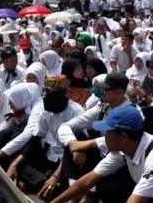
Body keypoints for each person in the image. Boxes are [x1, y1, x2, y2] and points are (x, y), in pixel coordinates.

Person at [51, 105, 153, 203]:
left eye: (108, 132)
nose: (104, 136)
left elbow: (137, 200)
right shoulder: (122, 150)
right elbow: (88, 180)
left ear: (123, 137)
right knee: (104, 185)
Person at [57, 73, 134, 202]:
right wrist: (73, 145)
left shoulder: (132, 112)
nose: (101, 92)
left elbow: (119, 142)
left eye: (106, 89)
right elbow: (66, 126)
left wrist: (87, 144)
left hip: (121, 164)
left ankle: (88, 194)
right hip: (102, 156)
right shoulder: (103, 108)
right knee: (74, 134)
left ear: (119, 92)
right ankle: (76, 193)